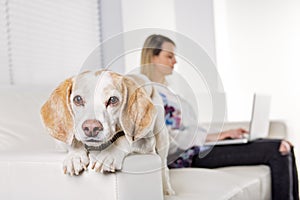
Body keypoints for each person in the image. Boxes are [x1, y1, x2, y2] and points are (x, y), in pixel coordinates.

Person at [140, 34, 299, 200]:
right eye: (169, 56)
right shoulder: (149, 94)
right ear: (152, 57)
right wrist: (217, 136)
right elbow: (170, 140)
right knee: (277, 150)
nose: (175, 61)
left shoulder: (167, 92)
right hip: (188, 156)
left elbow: (189, 131)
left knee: (286, 146)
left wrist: (224, 135)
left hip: (198, 148)